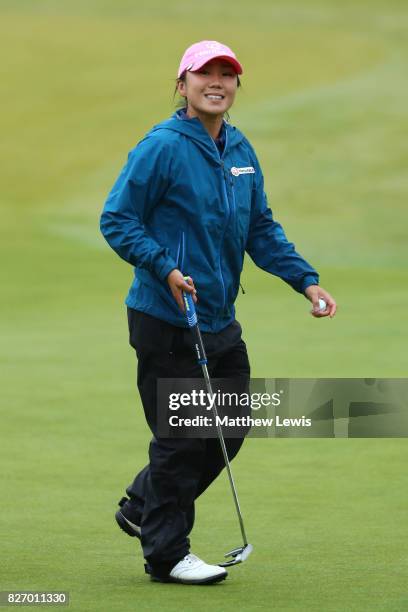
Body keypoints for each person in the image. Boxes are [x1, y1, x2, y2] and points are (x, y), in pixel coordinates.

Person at [100, 40, 337, 585]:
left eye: (227, 74)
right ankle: (165, 555)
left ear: (235, 87)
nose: (217, 81)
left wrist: (305, 279)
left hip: (219, 318)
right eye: (204, 72)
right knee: (183, 437)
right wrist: (164, 268)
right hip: (165, 316)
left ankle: (143, 503)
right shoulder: (161, 147)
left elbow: (259, 227)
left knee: (230, 426)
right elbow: (117, 219)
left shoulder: (239, 149)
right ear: (182, 84)